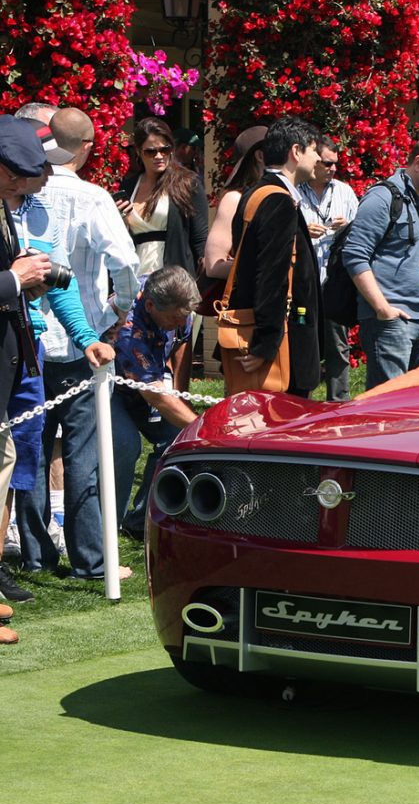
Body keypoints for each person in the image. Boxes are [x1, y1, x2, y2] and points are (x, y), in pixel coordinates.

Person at [12, 111, 130, 581]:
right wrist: (116, 314)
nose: (46, 176)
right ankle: (82, 559)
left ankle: (41, 557)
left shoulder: (40, 204)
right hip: (26, 351)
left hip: (46, 346)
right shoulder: (89, 195)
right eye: (39, 167)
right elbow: (123, 263)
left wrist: (88, 337)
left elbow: (55, 280)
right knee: (41, 454)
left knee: (34, 452)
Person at [0, 116, 60, 609]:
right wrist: (13, 280)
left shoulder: (5, 203)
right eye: (15, 172)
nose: (22, 182)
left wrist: (25, 278)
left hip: (10, 361)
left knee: (6, 462)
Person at [221, 116, 323, 396]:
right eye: (313, 150)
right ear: (296, 151)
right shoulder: (277, 200)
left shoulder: (255, 193)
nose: (318, 158)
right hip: (281, 351)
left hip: (274, 343)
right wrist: (266, 343)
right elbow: (272, 274)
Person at [342, 135, 419, 387]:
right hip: (391, 320)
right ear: (418, 162)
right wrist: (382, 309)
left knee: (414, 406)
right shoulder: (382, 198)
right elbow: (354, 253)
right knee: (389, 409)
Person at [111, 266, 200, 538]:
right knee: (126, 446)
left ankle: (140, 520)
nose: (179, 322)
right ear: (150, 306)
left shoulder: (177, 304)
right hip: (112, 389)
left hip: (151, 381)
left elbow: (182, 343)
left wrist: (181, 396)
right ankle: (108, 527)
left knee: (176, 439)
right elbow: (157, 398)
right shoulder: (128, 330)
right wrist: (201, 426)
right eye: (174, 318)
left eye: (183, 317)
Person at [298, 140, 359, 400]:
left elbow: (361, 233)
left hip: (334, 281)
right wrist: (301, 229)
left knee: (337, 346)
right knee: (303, 344)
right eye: (327, 163)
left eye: (336, 163)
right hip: (305, 281)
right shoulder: (295, 192)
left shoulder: (345, 193)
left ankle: (339, 402)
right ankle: (301, 401)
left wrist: (347, 225)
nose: (333, 168)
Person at [117, 117, 208, 280]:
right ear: (138, 151)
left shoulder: (187, 183)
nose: (159, 156)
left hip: (175, 281)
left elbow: (200, 240)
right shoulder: (128, 187)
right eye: (151, 151)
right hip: (135, 280)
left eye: (164, 150)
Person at [202, 125, 267, 280]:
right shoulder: (234, 199)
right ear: (260, 156)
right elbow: (213, 266)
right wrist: (268, 270)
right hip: (247, 300)